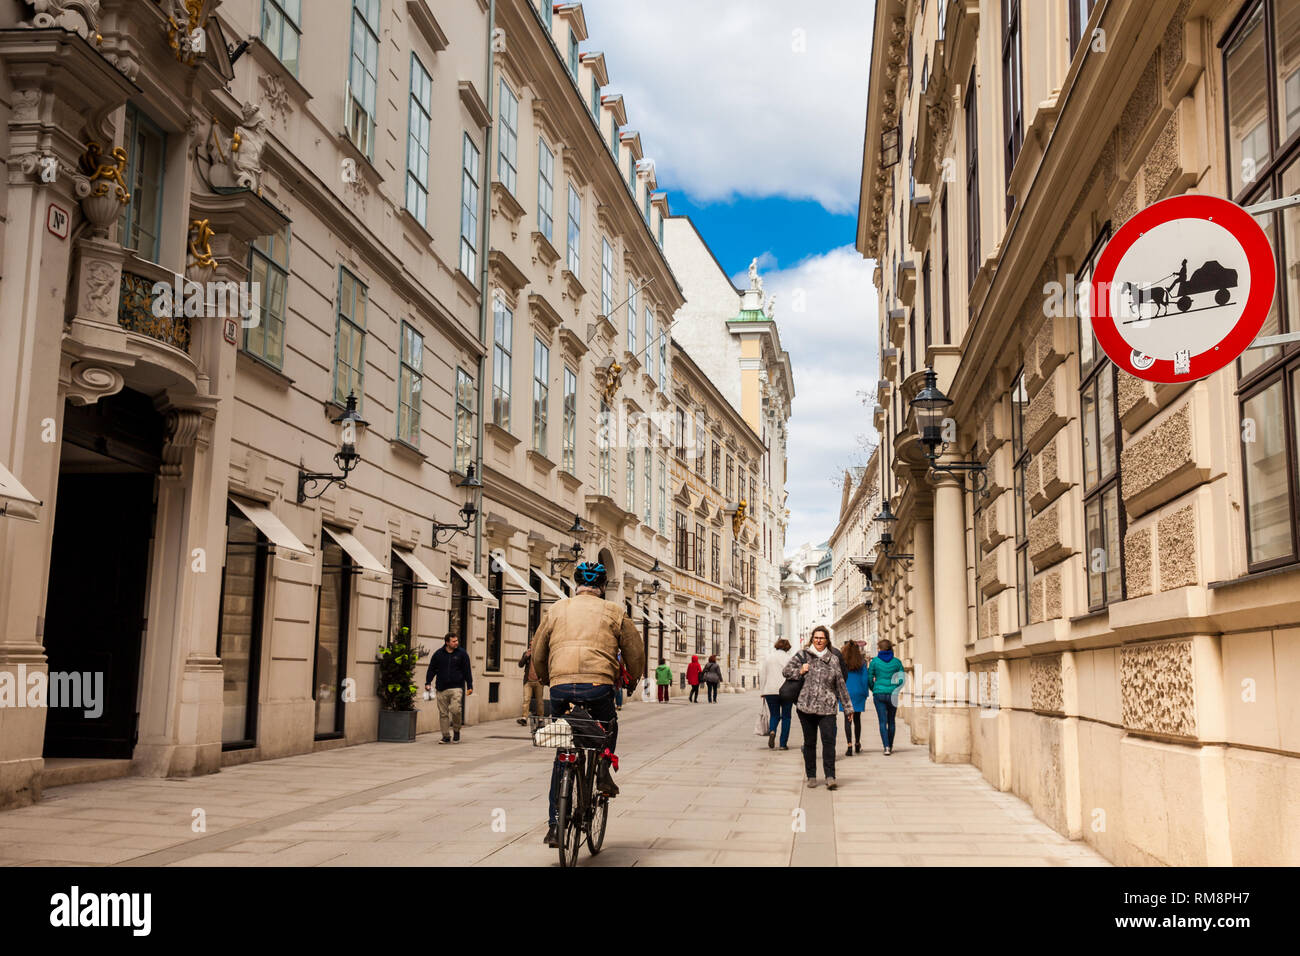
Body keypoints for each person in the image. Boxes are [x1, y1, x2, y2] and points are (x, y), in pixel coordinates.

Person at [531, 561, 645, 848]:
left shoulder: (557, 609)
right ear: (602, 587)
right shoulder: (615, 611)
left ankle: (555, 825)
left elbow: (539, 649)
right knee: (608, 724)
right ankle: (604, 764)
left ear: (575, 584)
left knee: (563, 751)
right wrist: (632, 681)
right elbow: (635, 651)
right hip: (598, 687)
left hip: (559, 688)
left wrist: (547, 678)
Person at [782, 625, 852, 789]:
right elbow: (786, 671)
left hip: (827, 708)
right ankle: (811, 775)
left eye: (822, 638)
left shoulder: (833, 659)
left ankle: (830, 776)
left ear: (827, 640)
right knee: (809, 742)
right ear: (812, 638)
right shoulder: (802, 655)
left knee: (829, 742)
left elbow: (841, 684)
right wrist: (800, 670)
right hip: (806, 707)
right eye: (816, 637)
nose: (819, 640)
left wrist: (848, 708)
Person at [423, 633, 473, 743]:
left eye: (457, 641)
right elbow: (432, 669)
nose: (456, 643)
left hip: (456, 687)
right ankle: (445, 736)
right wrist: (428, 682)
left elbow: (467, 670)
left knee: (456, 710)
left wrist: (470, 685)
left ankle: (456, 730)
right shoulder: (438, 654)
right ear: (447, 642)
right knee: (443, 713)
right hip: (441, 688)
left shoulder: (462, 654)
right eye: (453, 641)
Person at [867, 638, 906, 755]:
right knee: (892, 721)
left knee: (882, 721)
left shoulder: (874, 662)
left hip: (879, 693)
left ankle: (886, 747)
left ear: (879, 648)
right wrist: (895, 688)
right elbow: (902, 679)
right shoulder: (897, 662)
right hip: (892, 694)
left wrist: (874, 688)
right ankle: (891, 745)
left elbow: (869, 678)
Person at [759, 638, 795, 749]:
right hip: (786, 690)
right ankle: (783, 744)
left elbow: (763, 674)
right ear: (787, 647)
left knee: (774, 714)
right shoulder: (790, 658)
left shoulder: (768, 657)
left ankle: (772, 731)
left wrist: (762, 691)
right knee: (786, 717)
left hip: (770, 690)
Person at [840, 641, 869, 757]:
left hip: (846, 692)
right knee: (857, 720)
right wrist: (865, 693)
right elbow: (865, 679)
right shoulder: (862, 662)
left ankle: (849, 746)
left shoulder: (842, 663)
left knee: (847, 720)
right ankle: (857, 743)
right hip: (858, 692)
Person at [517, 637, 544, 726]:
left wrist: (543, 677)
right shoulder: (526, 653)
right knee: (526, 699)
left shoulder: (540, 654)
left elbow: (545, 666)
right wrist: (526, 656)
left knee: (539, 701)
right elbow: (520, 664)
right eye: (530, 645)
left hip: (538, 681)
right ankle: (524, 718)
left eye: (532, 645)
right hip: (528, 681)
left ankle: (540, 718)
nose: (531, 646)